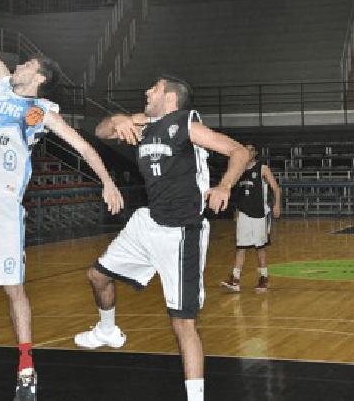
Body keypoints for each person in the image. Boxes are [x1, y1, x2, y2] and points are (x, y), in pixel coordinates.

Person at [0, 0, 124, 401]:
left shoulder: (40, 111)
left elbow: (82, 145)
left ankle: (27, 370)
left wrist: (108, 180)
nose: (18, 66)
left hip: (4, 202)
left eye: (26, 64)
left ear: (39, 77)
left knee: (13, 289)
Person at [76, 76, 250, 401]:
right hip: (149, 223)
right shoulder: (144, 125)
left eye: (153, 89)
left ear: (170, 97)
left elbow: (237, 151)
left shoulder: (186, 123)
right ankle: (107, 330)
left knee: (183, 323)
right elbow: (100, 131)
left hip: (182, 232)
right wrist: (118, 119)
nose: (146, 91)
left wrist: (225, 185)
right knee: (97, 276)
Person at [220, 143, 282, 293]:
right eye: (245, 149)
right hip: (243, 213)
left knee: (260, 248)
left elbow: (276, 188)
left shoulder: (262, 168)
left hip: (259, 214)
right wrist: (236, 210)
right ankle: (235, 280)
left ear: (255, 153)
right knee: (240, 247)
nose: (247, 151)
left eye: (250, 149)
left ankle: (264, 279)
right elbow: (237, 193)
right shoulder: (239, 170)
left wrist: (277, 205)